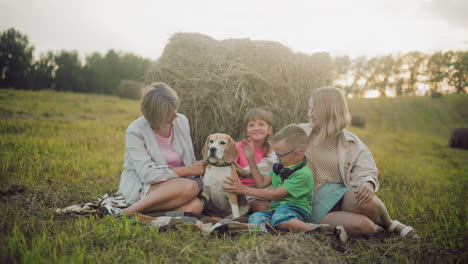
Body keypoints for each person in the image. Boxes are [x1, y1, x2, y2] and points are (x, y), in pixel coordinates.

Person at [300, 86, 417, 238]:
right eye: (309, 108)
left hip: (340, 194)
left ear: (329, 110)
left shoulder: (350, 141)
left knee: (366, 200)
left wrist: (367, 183)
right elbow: (273, 162)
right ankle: (376, 228)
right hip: (311, 202)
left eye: (314, 109)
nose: (310, 114)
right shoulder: (299, 133)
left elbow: (366, 169)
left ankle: (390, 225)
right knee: (364, 227)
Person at [225, 124, 346, 240]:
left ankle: (320, 231)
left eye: (280, 155)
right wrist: (251, 158)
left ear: (297, 153)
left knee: (281, 218)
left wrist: (243, 189)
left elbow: (275, 194)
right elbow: (261, 183)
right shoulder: (280, 167)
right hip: (277, 210)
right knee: (256, 217)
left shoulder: (303, 174)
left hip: (296, 210)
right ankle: (277, 232)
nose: (276, 158)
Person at [103, 82, 205, 216]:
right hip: (146, 184)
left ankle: (146, 213)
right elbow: (147, 175)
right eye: (169, 114)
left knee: (195, 207)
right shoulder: (135, 131)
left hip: (179, 184)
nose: (175, 116)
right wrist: (188, 170)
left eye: (175, 109)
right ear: (155, 117)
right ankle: (126, 213)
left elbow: (189, 158)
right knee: (190, 187)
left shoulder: (181, 121)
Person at [234, 108, 276, 212]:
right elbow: (231, 169)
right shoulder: (237, 147)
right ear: (246, 130)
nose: (256, 128)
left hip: (267, 191)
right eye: (251, 125)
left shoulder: (274, 150)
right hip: (244, 192)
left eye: (261, 124)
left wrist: (272, 156)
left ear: (269, 129)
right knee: (261, 207)